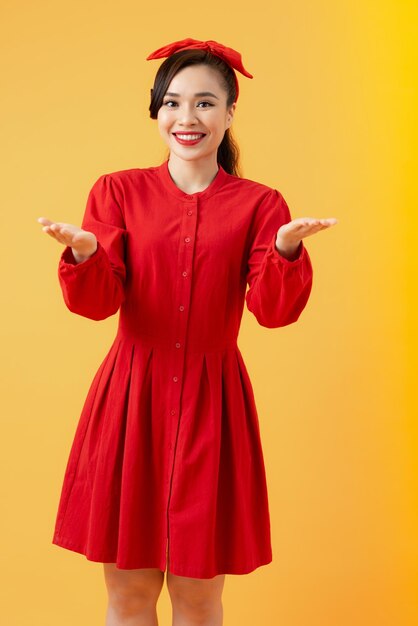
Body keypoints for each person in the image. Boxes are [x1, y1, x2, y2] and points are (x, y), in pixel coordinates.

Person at [38, 38, 337, 626]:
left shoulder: (261, 204)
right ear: (157, 112)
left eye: (205, 103)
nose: (187, 118)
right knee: (127, 595)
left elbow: (273, 312)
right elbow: (98, 305)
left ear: (229, 114)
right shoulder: (117, 191)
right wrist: (86, 255)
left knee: (200, 600)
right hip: (130, 403)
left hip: (212, 406)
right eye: (172, 103)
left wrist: (285, 249)